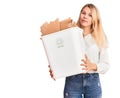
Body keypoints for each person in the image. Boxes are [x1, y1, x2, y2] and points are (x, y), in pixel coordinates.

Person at [49, 3, 110, 98]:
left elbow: (106, 65)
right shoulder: (69, 34)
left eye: (90, 15)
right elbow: (62, 56)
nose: (85, 16)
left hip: (92, 82)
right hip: (72, 81)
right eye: (83, 13)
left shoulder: (100, 37)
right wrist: (56, 69)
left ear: (95, 19)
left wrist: (92, 66)